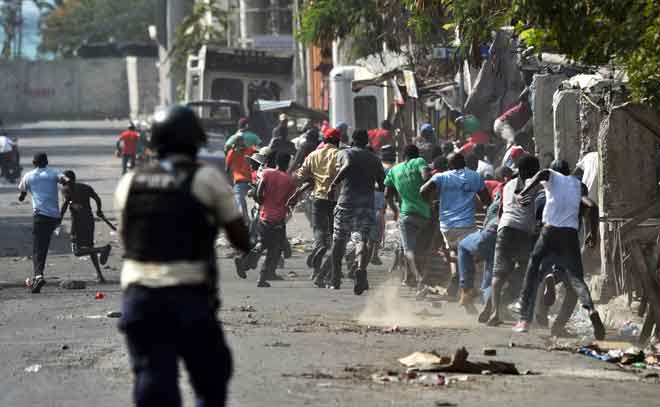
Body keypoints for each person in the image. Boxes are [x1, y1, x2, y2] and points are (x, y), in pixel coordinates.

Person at [115, 105, 251, 407]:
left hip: (140, 296)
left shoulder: (130, 182)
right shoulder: (206, 179)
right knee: (211, 376)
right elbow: (241, 239)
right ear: (195, 141)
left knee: (152, 377)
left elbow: (129, 237)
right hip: (189, 296)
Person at [512, 159, 605, 340]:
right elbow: (592, 207)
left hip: (549, 233)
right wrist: (593, 233)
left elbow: (542, 174)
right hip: (570, 236)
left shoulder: (551, 177)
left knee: (532, 272)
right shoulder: (578, 185)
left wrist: (522, 193)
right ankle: (591, 310)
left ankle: (524, 319)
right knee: (577, 280)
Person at [318, 129, 385, 294]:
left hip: (347, 202)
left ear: (353, 140)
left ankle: (335, 278)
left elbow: (346, 167)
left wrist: (333, 185)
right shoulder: (374, 159)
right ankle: (361, 270)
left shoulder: (345, 153)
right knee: (362, 239)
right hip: (366, 204)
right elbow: (382, 184)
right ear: (366, 141)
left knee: (339, 240)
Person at [420, 153, 491, 303]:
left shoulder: (442, 177)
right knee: (471, 253)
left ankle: (458, 278)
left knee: (454, 249)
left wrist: (432, 203)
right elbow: (486, 199)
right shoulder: (474, 176)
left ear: (449, 165)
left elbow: (423, 191)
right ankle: (469, 287)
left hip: (446, 225)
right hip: (467, 225)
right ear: (463, 163)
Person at [483, 156, 541, 326]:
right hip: (524, 231)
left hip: (505, 228)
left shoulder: (508, 185)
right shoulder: (536, 184)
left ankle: (495, 311)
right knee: (526, 272)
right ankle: (504, 299)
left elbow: (501, 210)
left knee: (499, 273)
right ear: (532, 171)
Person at [235, 152, 297, 287]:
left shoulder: (267, 173)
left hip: (264, 215)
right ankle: (261, 276)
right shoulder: (290, 180)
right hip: (279, 219)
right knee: (274, 249)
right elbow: (292, 201)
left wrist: (262, 202)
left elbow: (259, 190)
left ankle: (245, 263)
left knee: (262, 243)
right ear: (288, 164)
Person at [294, 128, 341, 280]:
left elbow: (300, 176)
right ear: (338, 141)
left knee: (319, 230)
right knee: (335, 235)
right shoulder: (341, 155)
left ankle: (319, 252)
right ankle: (328, 271)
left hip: (318, 198)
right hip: (336, 200)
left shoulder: (313, 155)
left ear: (324, 141)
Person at [384, 145, 432, 295]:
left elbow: (387, 195)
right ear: (416, 155)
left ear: (403, 156)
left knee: (408, 250)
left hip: (406, 214)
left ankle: (417, 279)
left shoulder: (394, 170)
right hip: (425, 216)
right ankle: (419, 280)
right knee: (423, 250)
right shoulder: (419, 162)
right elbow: (426, 177)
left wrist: (395, 210)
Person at [18, 153, 66, 293]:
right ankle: (38, 275)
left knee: (38, 248)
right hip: (55, 218)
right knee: (43, 246)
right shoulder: (53, 174)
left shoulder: (28, 176)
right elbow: (65, 179)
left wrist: (25, 194)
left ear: (33, 162)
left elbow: (21, 195)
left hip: (40, 217)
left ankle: (38, 276)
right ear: (46, 162)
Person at [59, 170, 112, 282]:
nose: (60, 180)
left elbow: (65, 205)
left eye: (62, 178)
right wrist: (99, 210)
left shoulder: (65, 189)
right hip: (89, 220)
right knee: (89, 247)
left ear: (67, 179)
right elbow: (97, 198)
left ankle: (102, 249)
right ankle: (100, 276)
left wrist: (59, 219)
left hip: (77, 223)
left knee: (77, 252)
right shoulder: (86, 187)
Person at [226, 136, 257, 220]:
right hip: (249, 181)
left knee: (241, 202)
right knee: (242, 203)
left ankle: (248, 219)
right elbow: (227, 169)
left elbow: (227, 169)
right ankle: (247, 220)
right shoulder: (248, 150)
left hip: (245, 181)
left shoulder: (233, 152)